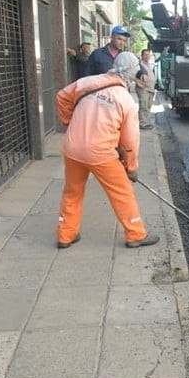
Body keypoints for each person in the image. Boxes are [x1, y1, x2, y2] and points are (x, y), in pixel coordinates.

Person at [55, 51, 159, 249]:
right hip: (100, 153)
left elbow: (61, 96)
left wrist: (70, 122)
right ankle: (136, 234)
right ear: (129, 73)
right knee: (122, 192)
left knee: (72, 192)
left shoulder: (86, 83)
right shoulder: (125, 100)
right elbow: (130, 141)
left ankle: (65, 235)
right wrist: (131, 167)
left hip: (73, 148)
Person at [136, 48, 157, 130]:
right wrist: (138, 81)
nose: (147, 56)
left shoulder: (148, 64)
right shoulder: (139, 65)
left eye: (148, 54)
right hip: (143, 89)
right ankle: (142, 123)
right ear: (142, 56)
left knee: (148, 107)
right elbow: (135, 74)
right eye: (145, 54)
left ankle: (145, 122)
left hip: (150, 89)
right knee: (143, 106)